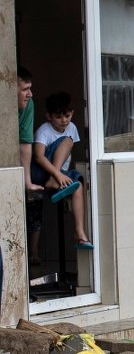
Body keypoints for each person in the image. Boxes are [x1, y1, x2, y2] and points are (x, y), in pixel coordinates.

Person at [31, 91, 93, 250]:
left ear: (72, 113)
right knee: (67, 141)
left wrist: (59, 175)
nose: (64, 120)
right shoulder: (44, 131)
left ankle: (80, 234)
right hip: (41, 173)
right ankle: (33, 252)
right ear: (49, 116)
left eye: (67, 116)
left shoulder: (72, 127)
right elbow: (38, 156)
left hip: (58, 175)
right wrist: (57, 173)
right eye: (59, 117)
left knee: (78, 185)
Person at [18, 67, 45, 265]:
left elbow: (25, 142)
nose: (30, 94)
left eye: (30, 88)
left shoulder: (28, 105)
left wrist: (27, 182)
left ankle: (33, 254)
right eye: (25, 89)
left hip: (24, 167)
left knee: (34, 199)